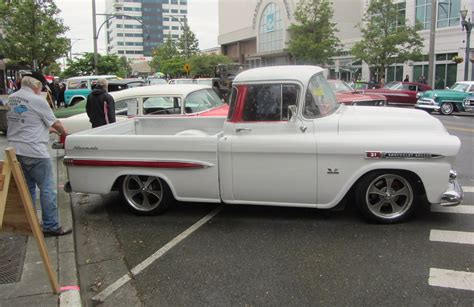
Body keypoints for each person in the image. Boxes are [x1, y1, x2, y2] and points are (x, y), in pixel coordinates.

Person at [6, 73, 71, 236]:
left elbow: (27, 121)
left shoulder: (12, 98)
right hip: (35, 151)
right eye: (41, 88)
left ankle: (31, 222)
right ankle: (50, 225)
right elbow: (55, 122)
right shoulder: (37, 100)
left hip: (15, 150)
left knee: (27, 188)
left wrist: (47, 128)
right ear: (36, 86)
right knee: (47, 188)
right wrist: (66, 134)